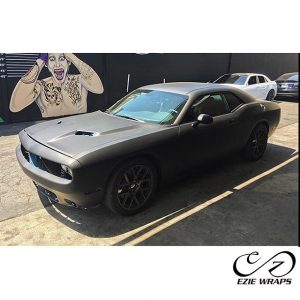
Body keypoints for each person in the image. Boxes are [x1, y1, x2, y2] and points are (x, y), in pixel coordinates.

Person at [10, 53, 104, 117]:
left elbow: (99, 89)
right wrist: (40, 61)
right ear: (46, 64)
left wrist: (71, 56)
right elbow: (15, 106)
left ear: (68, 61)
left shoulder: (79, 80)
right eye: (52, 59)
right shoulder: (41, 86)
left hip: (79, 126)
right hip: (52, 130)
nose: (58, 64)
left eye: (62, 58)